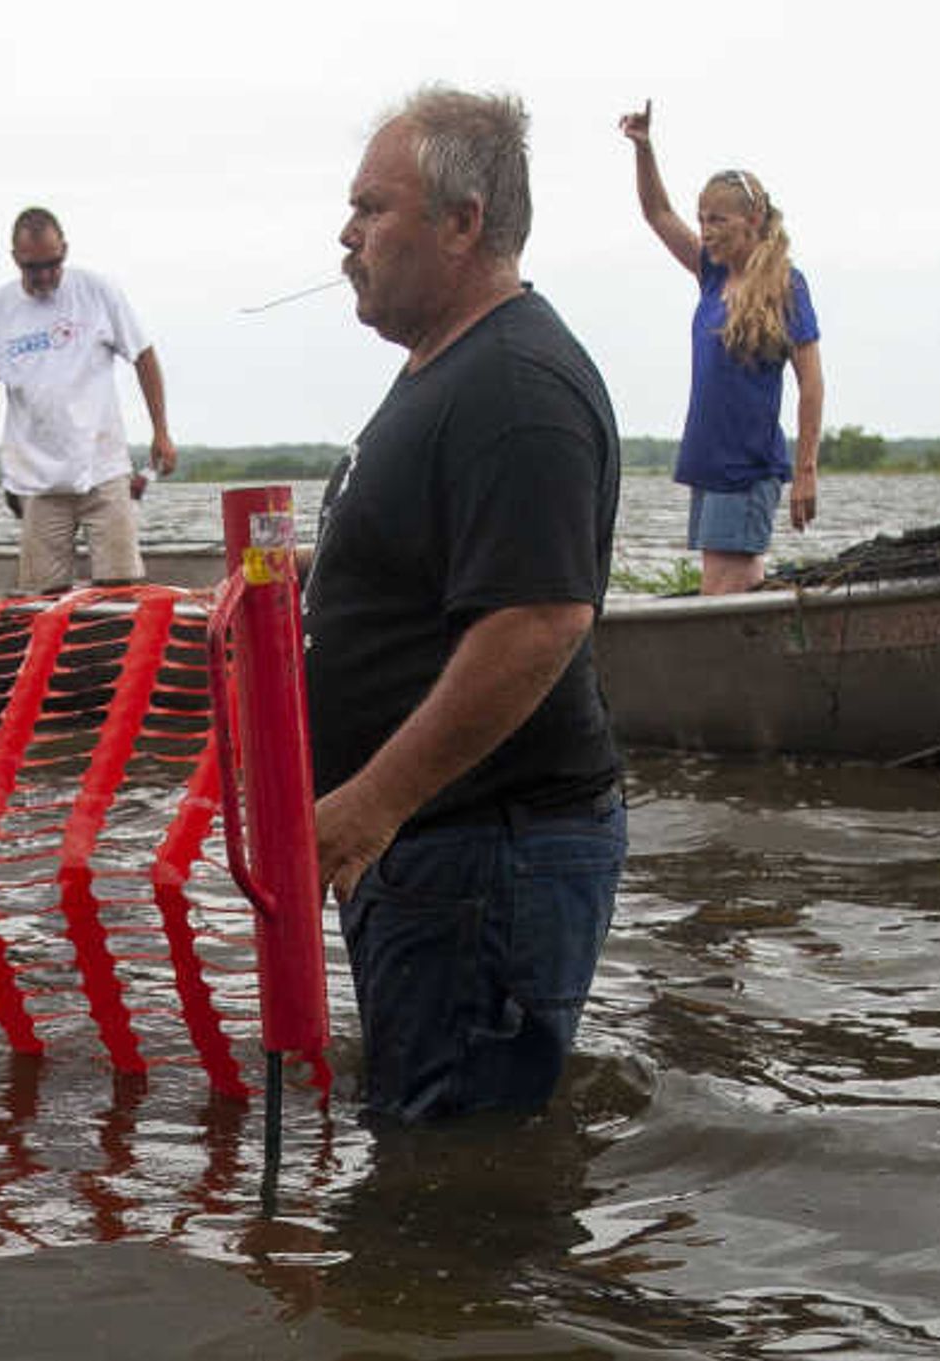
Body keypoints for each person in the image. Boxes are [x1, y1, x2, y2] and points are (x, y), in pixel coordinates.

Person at [306, 86, 626, 1125]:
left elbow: (539, 623)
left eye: (372, 209)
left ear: (462, 222)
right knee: (422, 1138)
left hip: (485, 854)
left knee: (455, 1173)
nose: (346, 236)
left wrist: (369, 806)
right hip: (436, 854)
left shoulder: (517, 388)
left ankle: (461, 1292)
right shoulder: (446, 374)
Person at [620, 100, 823, 594]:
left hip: (747, 467)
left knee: (726, 591)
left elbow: (812, 383)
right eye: (703, 219)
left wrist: (805, 472)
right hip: (708, 463)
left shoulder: (786, 286)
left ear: (753, 219)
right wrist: (644, 150)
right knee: (721, 588)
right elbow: (657, 212)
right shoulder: (711, 275)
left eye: (719, 221)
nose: (706, 231)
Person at [0, 208, 179, 593]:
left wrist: (161, 432)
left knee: (121, 591)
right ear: (15, 259)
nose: (43, 276)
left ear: (65, 252)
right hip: (36, 480)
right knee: (44, 597)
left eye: (52, 264)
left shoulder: (98, 291)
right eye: (31, 267)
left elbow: (144, 356)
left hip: (103, 468)